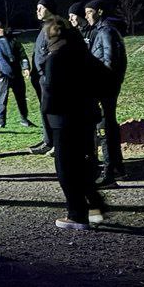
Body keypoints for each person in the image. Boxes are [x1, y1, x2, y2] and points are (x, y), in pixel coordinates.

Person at [39, 17, 109, 230]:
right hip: (86, 117)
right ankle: (95, 207)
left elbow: (49, 96)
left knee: (66, 169)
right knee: (84, 163)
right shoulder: (83, 55)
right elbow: (105, 78)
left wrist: (46, 112)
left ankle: (77, 214)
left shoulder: (55, 59)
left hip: (63, 121)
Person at [85, 0, 128, 185]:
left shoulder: (106, 32)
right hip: (107, 87)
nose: (86, 16)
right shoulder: (104, 31)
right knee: (109, 126)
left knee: (104, 129)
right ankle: (118, 169)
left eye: (89, 12)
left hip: (104, 88)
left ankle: (109, 173)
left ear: (99, 11)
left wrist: (100, 85)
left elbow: (109, 61)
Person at [0, 19, 34, 128]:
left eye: (2, 27)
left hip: (17, 75)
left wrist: (25, 67)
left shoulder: (13, 40)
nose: (1, 30)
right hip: (3, 76)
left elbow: (22, 55)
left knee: (21, 98)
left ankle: (24, 119)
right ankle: (1, 122)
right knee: (2, 100)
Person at [27, 0, 58, 155]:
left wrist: (45, 70)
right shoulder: (44, 27)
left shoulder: (54, 27)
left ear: (50, 9)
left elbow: (54, 53)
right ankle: (48, 139)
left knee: (51, 110)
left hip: (48, 77)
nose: (37, 11)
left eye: (41, 7)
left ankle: (54, 143)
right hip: (40, 77)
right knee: (44, 109)